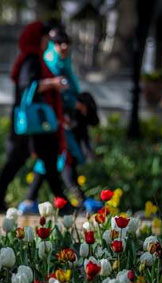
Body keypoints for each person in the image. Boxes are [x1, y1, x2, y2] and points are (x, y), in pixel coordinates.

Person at [18, 27, 102, 215]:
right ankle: (75, 200)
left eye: (66, 42)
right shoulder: (50, 63)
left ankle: (30, 200)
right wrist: (73, 106)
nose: (63, 46)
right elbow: (51, 92)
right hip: (56, 118)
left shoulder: (63, 62)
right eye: (58, 43)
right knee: (65, 157)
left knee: (50, 159)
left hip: (63, 119)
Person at [0, 21, 71, 214]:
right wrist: (53, 83)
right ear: (38, 39)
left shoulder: (34, 58)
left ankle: (62, 203)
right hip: (32, 122)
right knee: (21, 162)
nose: (47, 43)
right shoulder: (31, 59)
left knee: (47, 162)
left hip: (33, 122)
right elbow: (28, 85)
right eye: (45, 39)